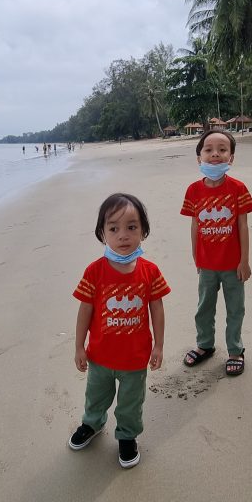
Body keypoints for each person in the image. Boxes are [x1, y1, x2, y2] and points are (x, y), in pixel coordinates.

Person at [69, 193, 170, 468]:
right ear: (102, 233)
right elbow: (85, 310)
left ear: (143, 231)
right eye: (113, 228)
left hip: (135, 359)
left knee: (130, 403)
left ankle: (127, 436)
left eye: (132, 227)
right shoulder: (94, 272)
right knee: (96, 396)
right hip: (100, 356)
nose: (123, 235)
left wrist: (159, 346)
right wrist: (79, 346)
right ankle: (92, 424)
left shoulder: (150, 272)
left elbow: (157, 310)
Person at [181, 129, 252, 377]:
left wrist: (244, 261)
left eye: (222, 150)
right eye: (209, 149)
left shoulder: (238, 188)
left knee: (235, 308)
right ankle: (205, 345)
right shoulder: (193, 191)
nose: (215, 154)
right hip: (207, 265)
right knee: (204, 307)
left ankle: (235, 350)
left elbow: (242, 225)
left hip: (232, 264)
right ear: (199, 157)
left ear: (231, 158)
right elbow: (194, 225)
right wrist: (195, 257)